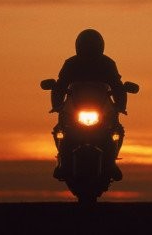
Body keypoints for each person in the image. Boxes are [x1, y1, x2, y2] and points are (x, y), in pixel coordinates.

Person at [51, 29, 127, 181]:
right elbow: (60, 84)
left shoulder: (108, 64)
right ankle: (63, 162)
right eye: (87, 45)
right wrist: (57, 104)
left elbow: (117, 85)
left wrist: (120, 105)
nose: (89, 48)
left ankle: (111, 162)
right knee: (60, 128)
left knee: (116, 129)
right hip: (74, 108)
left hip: (102, 108)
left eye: (92, 45)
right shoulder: (70, 64)